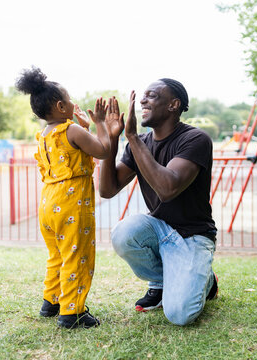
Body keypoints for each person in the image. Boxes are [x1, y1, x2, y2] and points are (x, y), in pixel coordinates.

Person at [99, 79, 218, 326]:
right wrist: (111, 140)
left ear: (174, 105)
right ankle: (164, 281)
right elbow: (108, 190)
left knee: (180, 315)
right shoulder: (140, 143)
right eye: (143, 96)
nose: (142, 101)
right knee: (124, 232)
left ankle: (206, 281)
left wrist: (131, 136)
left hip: (193, 236)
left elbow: (167, 188)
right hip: (160, 229)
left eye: (151, 96)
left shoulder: (195, 139)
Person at [16, 66, 111, 329]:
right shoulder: (72, 131)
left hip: (48, 202)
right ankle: (72, 312)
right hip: (72, 204)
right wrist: (100, 123)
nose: (73, 103)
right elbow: (103, 150)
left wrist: (85, 127)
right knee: (77, 254)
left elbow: (74, 152)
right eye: (69, 100)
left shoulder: (45, 135)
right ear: (60, 106)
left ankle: (52, 301)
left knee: (57, 254)